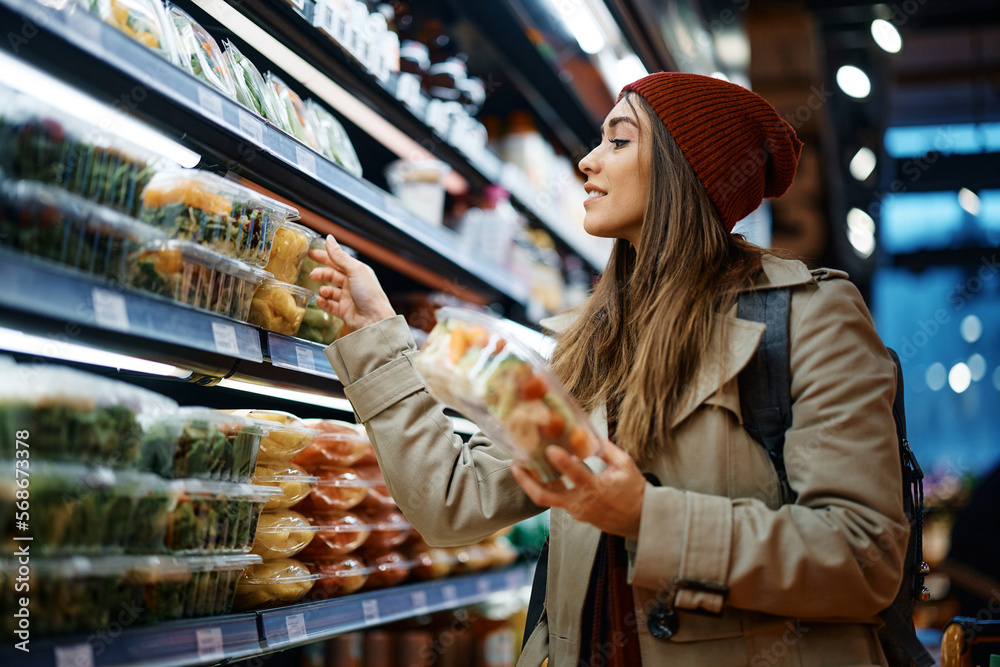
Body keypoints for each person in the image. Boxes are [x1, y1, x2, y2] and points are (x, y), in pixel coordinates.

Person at [309, 72, 909, 666]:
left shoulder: (809, 318)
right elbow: (454, 502)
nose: (587, 163)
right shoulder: (589, 345)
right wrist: (375, 337)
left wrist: (647, 518)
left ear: (684, 168)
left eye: (619, 141)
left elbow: (864, 557)